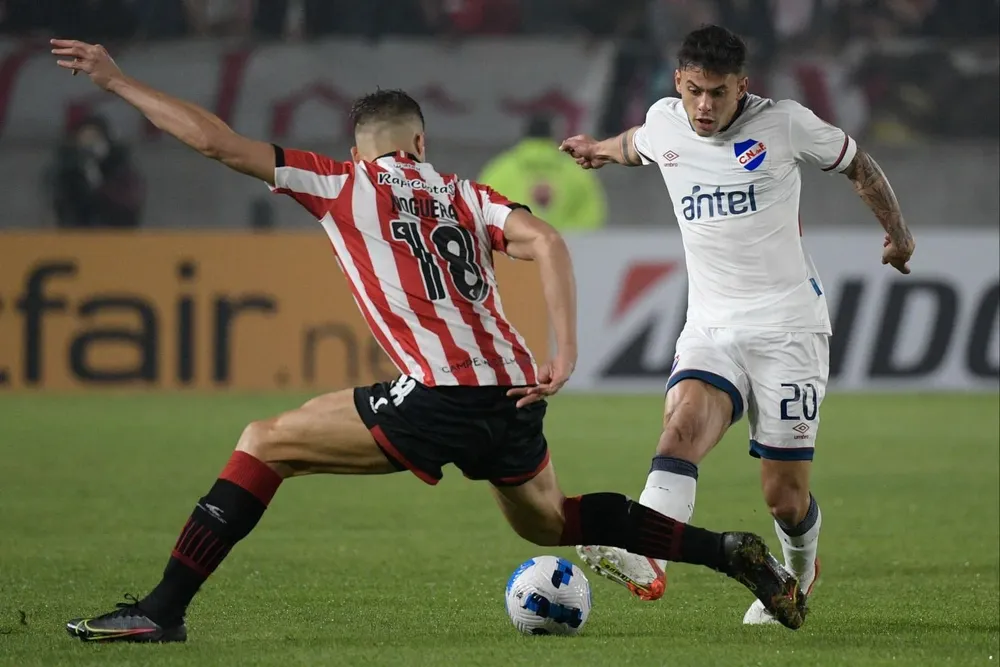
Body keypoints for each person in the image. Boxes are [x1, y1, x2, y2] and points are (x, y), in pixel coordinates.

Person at [50, 37, 807, 643]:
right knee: (550, 519)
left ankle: (162, 608)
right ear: (421, 139)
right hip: (513, 387)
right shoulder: (463, 191)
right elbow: (545, 240)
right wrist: (565, 352)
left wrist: (117, 81)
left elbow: (214, 142)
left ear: (360, 148)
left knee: (263, 442)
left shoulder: (340, 183)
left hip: (440, 391)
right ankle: (725, 549)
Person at [560, 24, 914, 625]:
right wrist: (599, 149)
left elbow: (860, 165)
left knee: (783, 498)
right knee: (679, 431)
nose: (704, 106)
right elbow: (638, 143)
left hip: (789, 331)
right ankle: (648, 557)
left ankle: (798, 573)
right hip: (712, 326)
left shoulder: (786, 124)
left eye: (718, 93)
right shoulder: (666, 121)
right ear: (678, 82)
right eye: (695, 90)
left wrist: (898, 235)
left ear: (741, 87)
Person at [478, 115, 607, 234]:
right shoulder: (576, 171)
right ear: (554, 136)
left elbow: (482, 210)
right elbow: (591, 213)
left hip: (514, 251)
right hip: (563, 251)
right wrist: (568, 238)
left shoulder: (499, 170)